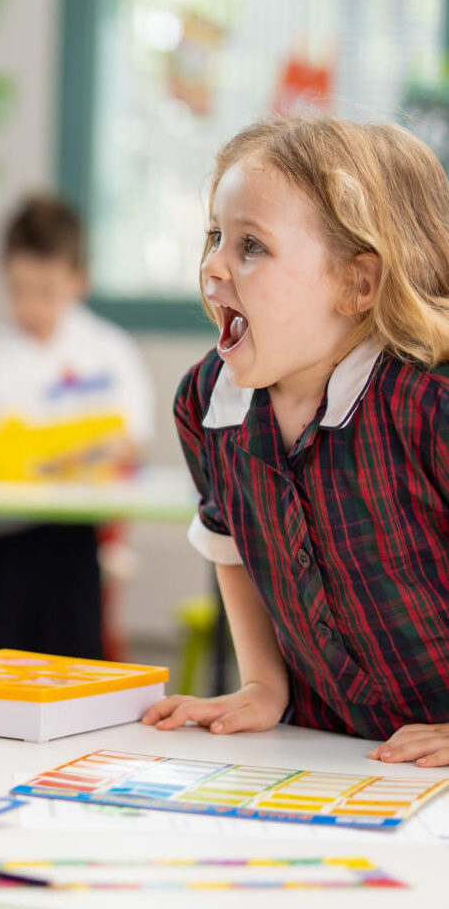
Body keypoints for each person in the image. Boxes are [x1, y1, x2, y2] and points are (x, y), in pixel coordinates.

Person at [144, 117, 449, 768]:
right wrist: (262, 684)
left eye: (250, 246)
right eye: (215, 237)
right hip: (331, 749)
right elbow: (226, 543)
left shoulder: (430, 405)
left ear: (357, 284)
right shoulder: (208, 403)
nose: (213, 266)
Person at [0, 195, 154, 659]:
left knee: (73, 672)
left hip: (74, 539)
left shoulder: (105, 348)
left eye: (46, 290)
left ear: (77, 280)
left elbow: (133, 439)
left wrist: (81, 452)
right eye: (18, 288)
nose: (31, 305)